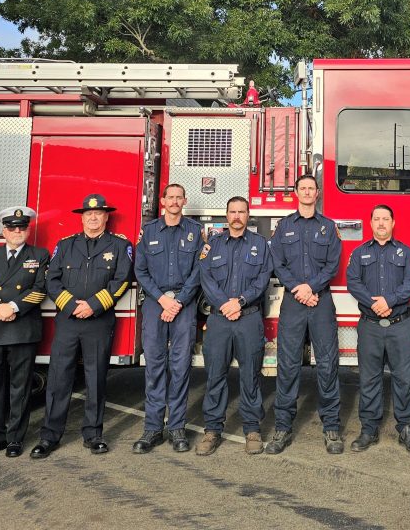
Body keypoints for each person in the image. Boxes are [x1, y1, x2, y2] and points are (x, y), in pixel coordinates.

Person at [30, 194, 133, 458]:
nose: (93, 217)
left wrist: (94, 305)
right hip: (68, 320)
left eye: (98, 214)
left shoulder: (120, 246)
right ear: (82, 218)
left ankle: (93, 434)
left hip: (98, 321)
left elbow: (121, 280)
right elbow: (51, 279)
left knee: (96, 378)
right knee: (58, 378)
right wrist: (71, 305)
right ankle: (49, 436)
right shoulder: (65, 245)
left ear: (106, 217)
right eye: (88, 214)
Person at [266, 174, 344, 455]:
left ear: (318, 193)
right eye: (303, 188)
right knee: (287, 365)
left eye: (312, 188)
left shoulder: (328, 227)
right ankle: (283, 428)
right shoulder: (284, 227)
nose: (308, 192)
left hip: (321, 301)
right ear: (296, 193)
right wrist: (298, 288)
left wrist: (311, 287)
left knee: (327, 364)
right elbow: (277, 261)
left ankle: (331, 427)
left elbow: (333, 264)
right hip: (294, 301)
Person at [0, 206, 49, 459]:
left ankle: (15, 438)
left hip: (22, 328)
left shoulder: (40, 255)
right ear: (3, 230)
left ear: (28, 229)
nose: (17, 231)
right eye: (12, 227)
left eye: (22, 227)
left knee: (20, 387)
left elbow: (40, 288)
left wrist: (13, 307)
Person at [195, 197, 272, 456]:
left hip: (248, 317)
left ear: (248, 215)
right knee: (215, 375)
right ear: (226, 215)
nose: (237, 216)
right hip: (218, 319)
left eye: (241, 212)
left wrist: (239, 302)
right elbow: (206, 279)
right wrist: (224, 304)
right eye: (232, 212)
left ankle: (252, 429)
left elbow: (263, 279)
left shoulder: (260, 245)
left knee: (250, 375)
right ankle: (212, 430)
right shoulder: (211, 246)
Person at [345, 204, 410, 455]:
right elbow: (353, 283)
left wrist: (388, 301)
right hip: (370, 326)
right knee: (369, 379)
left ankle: (407, 429)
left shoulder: (405, 253)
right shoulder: (358, 254)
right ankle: (368, 429)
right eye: (376, 219)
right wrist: (373, 303)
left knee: (403, 378)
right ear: (370, 224)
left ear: (393, 223)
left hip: (399, 326)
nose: (381, 223)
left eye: (385, 219)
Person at [132, 184, 204, 454]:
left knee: (181, 367)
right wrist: (162, 299)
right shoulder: (148, 232)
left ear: (184, 201)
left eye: (178, 197)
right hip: (155, 304)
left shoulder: (195, 232)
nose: (174, 201)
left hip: (183, 306)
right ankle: (152, 429)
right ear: (162, 201)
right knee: (155, 367)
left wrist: (179, 301)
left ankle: (176, 428)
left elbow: (199, 270)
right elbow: (140, 270)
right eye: (169, 197)